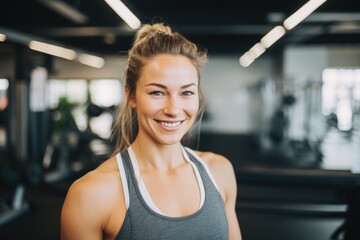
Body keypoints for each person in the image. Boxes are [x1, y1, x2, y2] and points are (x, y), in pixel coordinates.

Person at [60, 22, 242, 240]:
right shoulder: (91, 194)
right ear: (131, 95)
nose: (174, 110)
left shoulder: (220, 172)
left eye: (186, 93)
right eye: (157, 92)